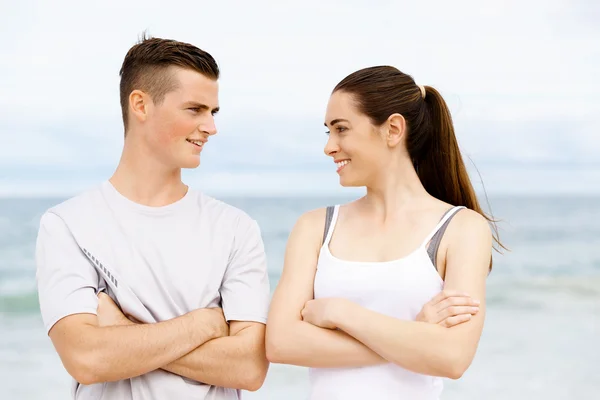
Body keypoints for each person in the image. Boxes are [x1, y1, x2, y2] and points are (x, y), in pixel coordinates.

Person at [35, 35, 270, 399]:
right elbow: (87, 358)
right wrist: (203, 324)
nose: (211, 127)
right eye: (195, 109)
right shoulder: (67, 225)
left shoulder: (235, 229)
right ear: (140, 105)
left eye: (213, 112)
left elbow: (249, 368)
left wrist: (125, 332)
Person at [266, 66, 502, 399]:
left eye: (341, 129)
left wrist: (341, 313)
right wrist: (417, 336)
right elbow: (280, 343)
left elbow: (452, 357)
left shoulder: (461, 229)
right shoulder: (315, 227)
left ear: (392, 129)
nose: (329, 147)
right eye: (328, 132)